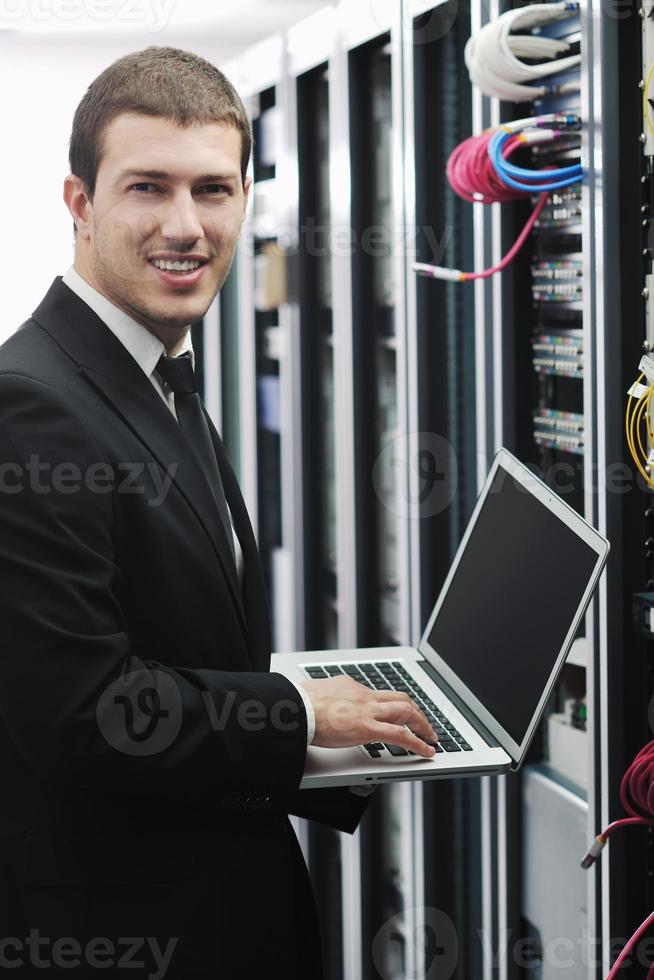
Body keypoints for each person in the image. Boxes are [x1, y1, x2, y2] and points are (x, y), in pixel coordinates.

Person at [0, 46, 436, 978]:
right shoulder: (31, 403)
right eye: (148, 188)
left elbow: (182, 646)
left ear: (246, 199)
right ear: (79, 203)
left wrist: (337, 726)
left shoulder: (150, 373)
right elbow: (79, 712)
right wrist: (294, 711)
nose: (186, 226)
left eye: (214, 190)